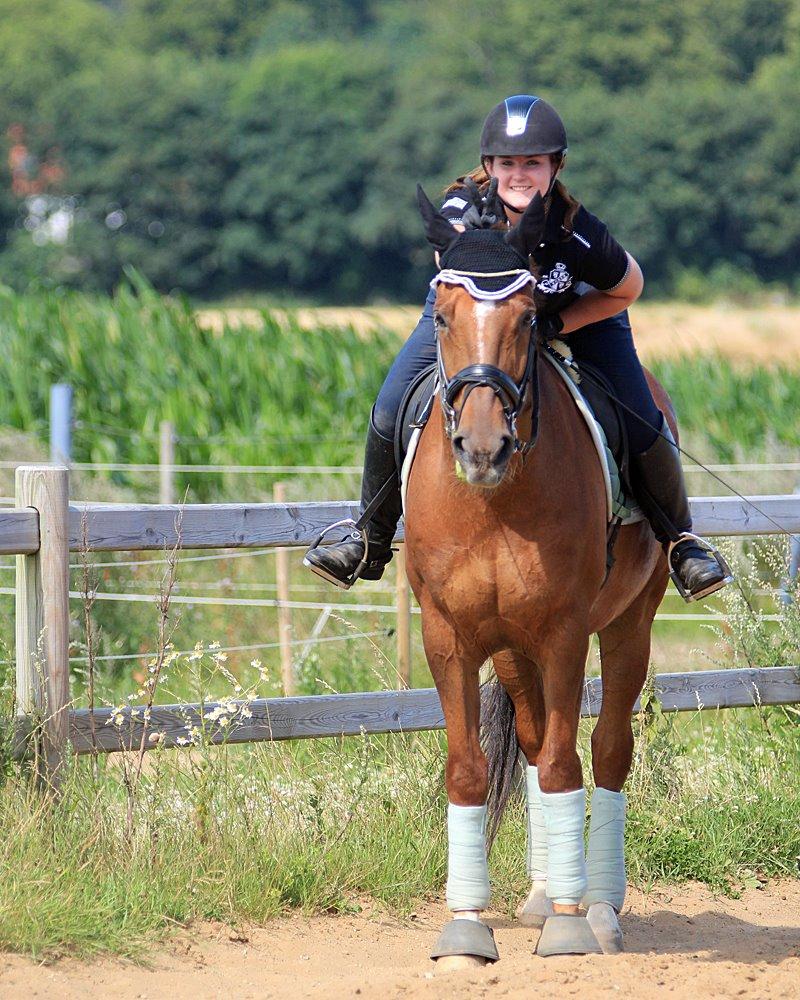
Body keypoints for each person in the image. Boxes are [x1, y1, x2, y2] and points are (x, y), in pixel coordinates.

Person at [304, 94, 732, 602]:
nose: (520, 174)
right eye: (508, 163)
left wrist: (557, 321)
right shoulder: (463, 206)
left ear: (556, 166)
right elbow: (460, 265)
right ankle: (367, 538)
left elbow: (629, 286)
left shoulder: (575, 228)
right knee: (392, 402)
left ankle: (681, 542)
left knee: (639, 411)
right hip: (473, 318)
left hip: (573, 316)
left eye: (534, 162)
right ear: (489, 166)